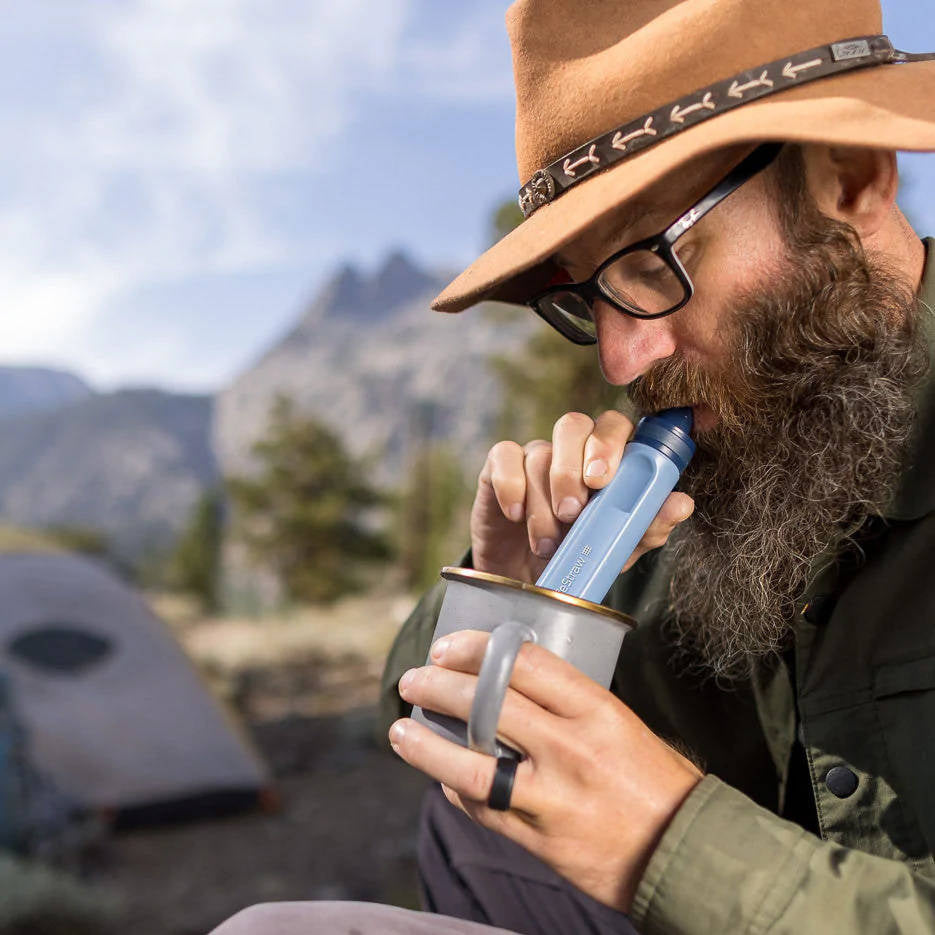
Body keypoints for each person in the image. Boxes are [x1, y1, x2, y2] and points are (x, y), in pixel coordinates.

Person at [212, 0, 935, 931]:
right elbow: (427, 703)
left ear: (846, 177)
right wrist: (511, 592)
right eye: (589, 296)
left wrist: (666, 839)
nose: (622, 361)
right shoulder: (708, 469)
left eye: (653, 260)